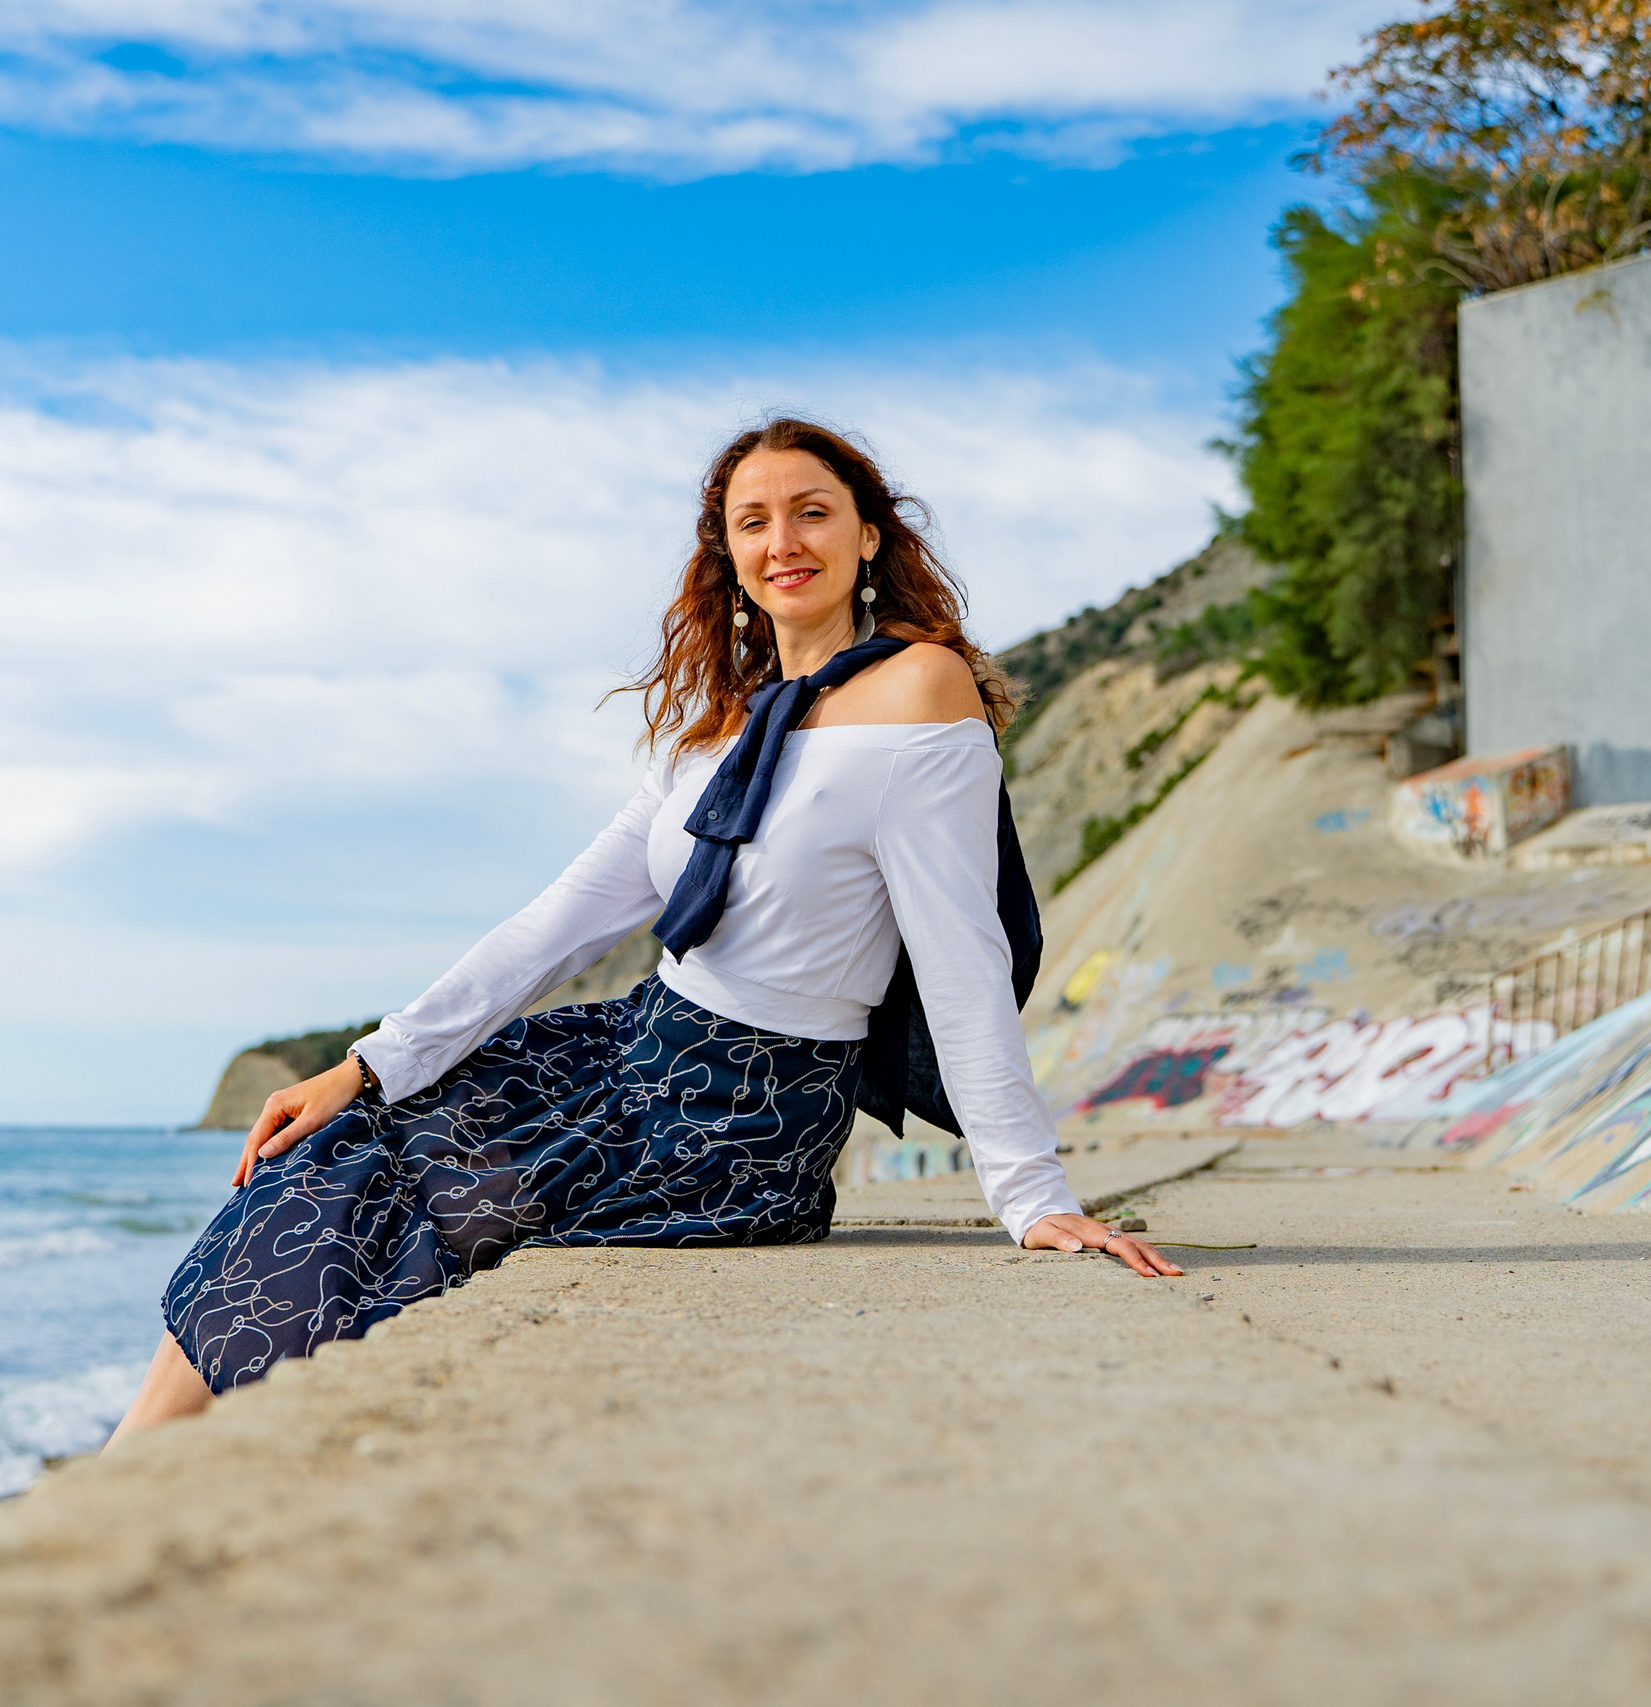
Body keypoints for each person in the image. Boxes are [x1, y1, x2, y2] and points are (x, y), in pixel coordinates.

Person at [108, 417, 1180, 1445]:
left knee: (396, 1214)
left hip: (740, 1120)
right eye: (752, 521)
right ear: (727, 553)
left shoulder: (920, 692)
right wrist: (366, 1065)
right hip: (623, 1053)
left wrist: (1029, 1197)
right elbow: (558, 924)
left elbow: (962, 953)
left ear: (868, 536)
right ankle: (139, 1468)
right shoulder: (719, 728)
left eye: (811, 512)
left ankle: (146, 1477)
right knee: (330, 1150)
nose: (782, 542)